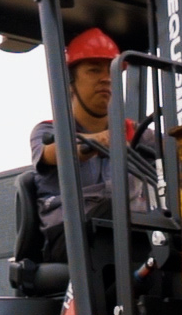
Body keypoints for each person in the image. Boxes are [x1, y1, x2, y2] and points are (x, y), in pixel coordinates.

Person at [30, 27, 149, 264]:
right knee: (115, 210)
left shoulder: (136, 133)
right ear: (70, 81)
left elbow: (181, 152)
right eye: (94, 70)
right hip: (68, 236)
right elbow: (58, 154)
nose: (106, 78)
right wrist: (100, 141)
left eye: (111, 71)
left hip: (130, 231)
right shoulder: (48, 131)